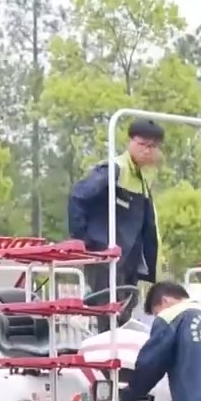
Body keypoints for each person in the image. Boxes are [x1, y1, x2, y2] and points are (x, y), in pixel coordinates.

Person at [67, 118, 165, 332]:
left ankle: (121, 352)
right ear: (130, 142)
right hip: (105, 257)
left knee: (125, 312)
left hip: (129, 261)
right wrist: (84, 241)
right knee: (107, 313)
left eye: (152, 146)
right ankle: (106, 352)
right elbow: (79, 196)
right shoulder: (115, 169)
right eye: (142, 144)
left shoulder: (142, 179)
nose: (147, 151)